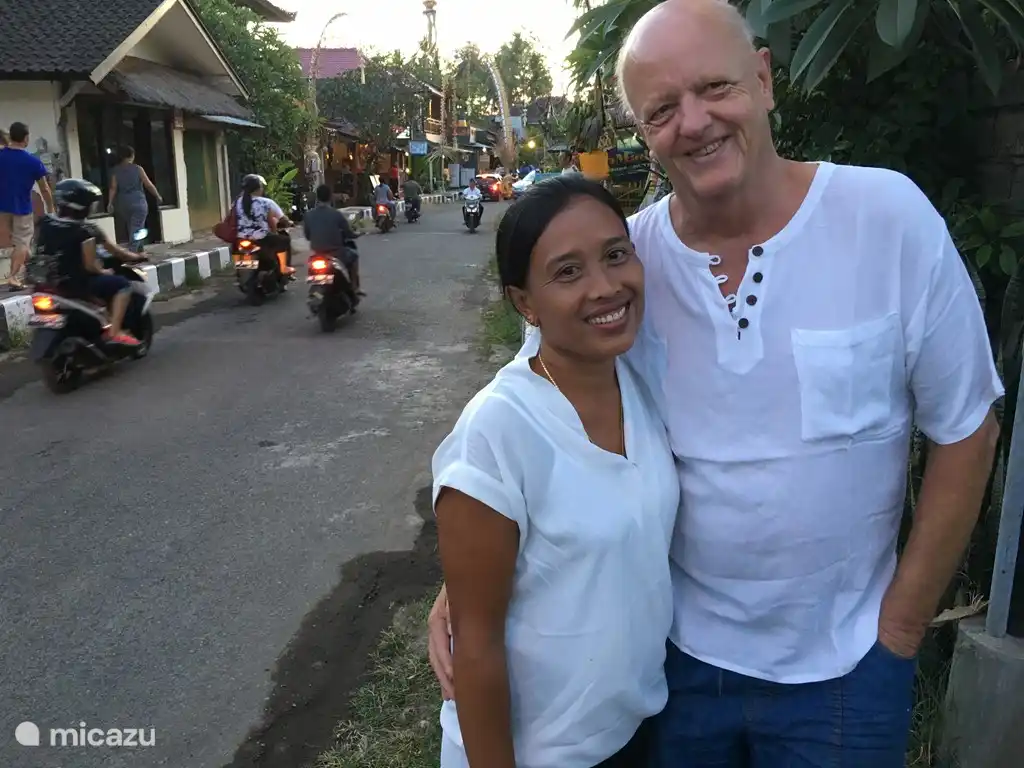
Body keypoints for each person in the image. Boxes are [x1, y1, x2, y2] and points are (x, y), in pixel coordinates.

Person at [427, 0, 1003, 764]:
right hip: (676, 668)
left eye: (715, 88)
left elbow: (967, 429)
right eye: (662, 109)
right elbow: (531, 400)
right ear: (643, 131)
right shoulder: (626, 264)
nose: (694, 122)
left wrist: (900, 626)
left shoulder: (886, 220)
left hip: (845, 668)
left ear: (763, 79)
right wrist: (469, 580)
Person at [434, 175, 678, 768]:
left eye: (615, 255)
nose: (605, 286)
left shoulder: (639, 384)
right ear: (525, 303)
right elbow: (476, 649)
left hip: (635, 731)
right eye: (568, 272)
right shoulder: (497, 429)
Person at [34, 179, 140, 346]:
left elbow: (37, 247)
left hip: (48, 282)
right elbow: (92, 264)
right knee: (123, 285)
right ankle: (114, 332)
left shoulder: (45, 222)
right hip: (77, 284)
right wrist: (111, 268)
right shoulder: (86, 230)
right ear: (82, 206)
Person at [1, 122, 54, 291]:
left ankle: (34, 269)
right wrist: (51, 208)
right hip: (21, 208)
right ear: (26, 138)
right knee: (22, 243)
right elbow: (44, 188)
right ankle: (13, 277)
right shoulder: (32, 161)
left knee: (18, 244)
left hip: (2, 208)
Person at [303, 183, 365, 297]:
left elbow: (307, 236)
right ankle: (355, 287)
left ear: (318, 197)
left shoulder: (308, 215)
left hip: (317, 253)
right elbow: (348, 233)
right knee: (354, 256)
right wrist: (357, 234)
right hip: (336, 253)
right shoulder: (336, 214)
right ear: (330, 197)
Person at [235, 174, 295, 277]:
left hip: (241, 238)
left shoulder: (238, 202)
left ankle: (241, 269)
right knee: (285, 240)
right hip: (262, 239)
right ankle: (284, 267)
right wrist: (289, 223)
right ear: (259, 188)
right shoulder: (266, 202)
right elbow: (283, 219)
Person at [107, 145, 161, 252]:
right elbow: (148, 184)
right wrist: (157, 195)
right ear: (131, 156)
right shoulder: (138, 169)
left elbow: (113, 188)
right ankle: (132, 253)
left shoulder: (116, 171)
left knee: (132, 227)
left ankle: (140, 251)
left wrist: (110, 203)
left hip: (123, 203)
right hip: (138, 202)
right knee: (137, 229)